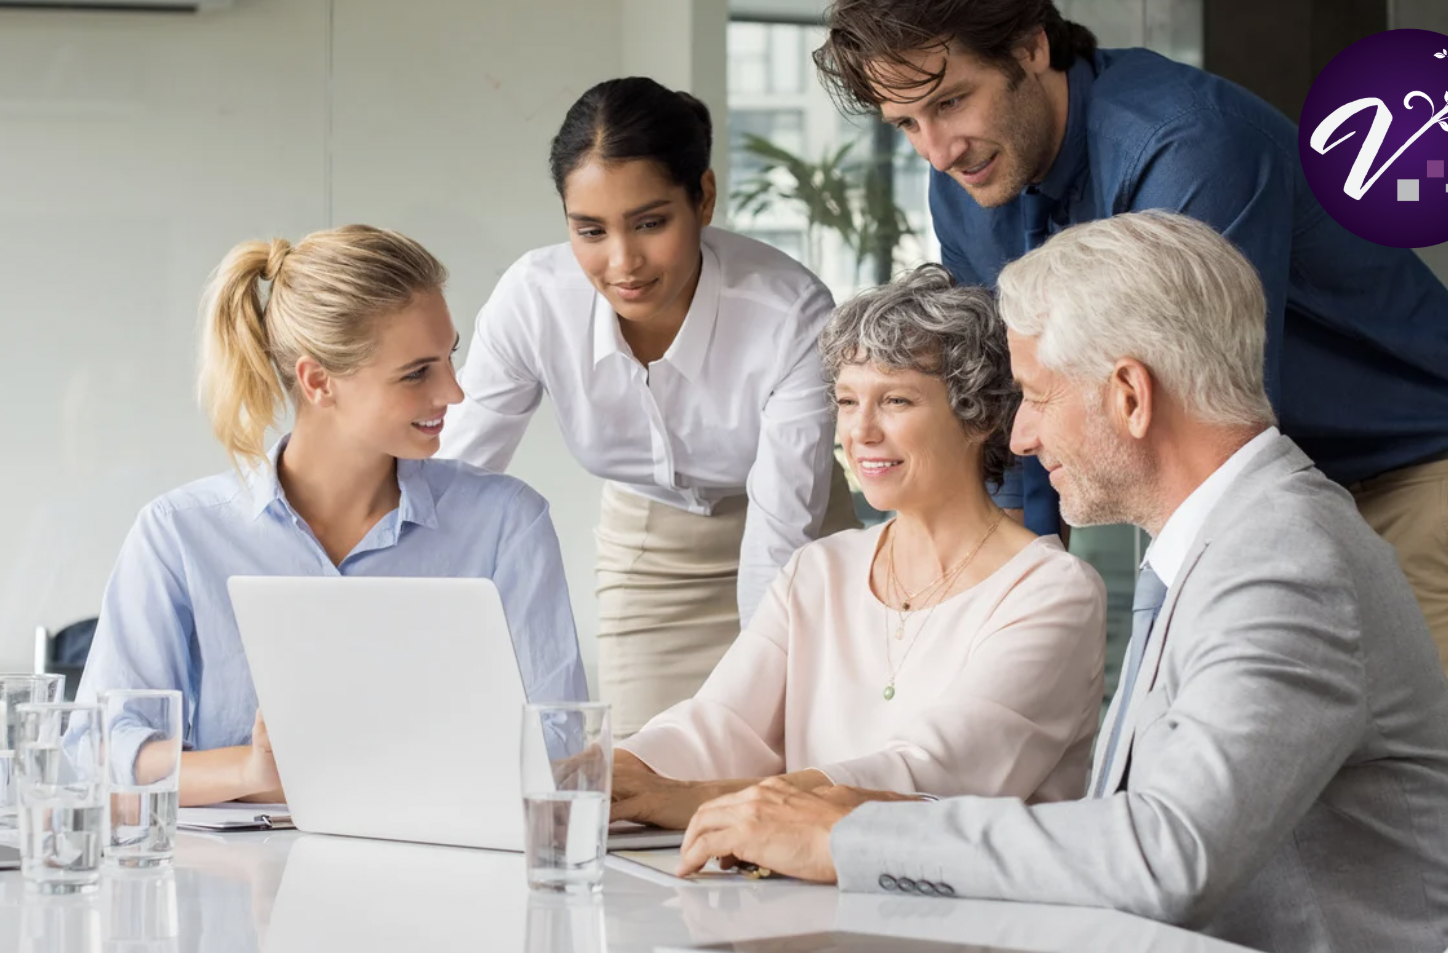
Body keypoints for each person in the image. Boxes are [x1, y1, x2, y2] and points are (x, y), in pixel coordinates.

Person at [813, 0, 1448, 889]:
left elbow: (1205, 428)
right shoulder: (968, 184)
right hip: (1254, 493)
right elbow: (1021, 401)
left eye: (952, 101)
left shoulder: (1188, 144)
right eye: (905, 123)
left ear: (1032, 48)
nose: (938, 148)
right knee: (1263, 879)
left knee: (1403, 887)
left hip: (1412, 480)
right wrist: (1016, 600)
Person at [675, 212, 1448, 953]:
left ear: (1130, 395)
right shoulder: (1234, 540)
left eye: (1033, 394)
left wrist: (844, 836)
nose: (1019, 436)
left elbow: (1166, 856)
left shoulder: (1282, 557)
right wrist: (856, 810)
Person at [76, 225, 588, 806]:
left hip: (439, 876)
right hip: (238, 883)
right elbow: (101, 749)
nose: (454, 392)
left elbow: (558, 747)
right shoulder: (179, 534)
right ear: (319, 382)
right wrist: (252, 771)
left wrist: (343, 767)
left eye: (450, 357)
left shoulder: (506, 526)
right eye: (417, 372)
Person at [610, 265, 1104, 830]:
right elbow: (718, 724)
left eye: (895, 401)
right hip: (804, 893)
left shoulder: (1051, 589)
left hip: (972, 910)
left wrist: (711, 801)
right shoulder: (820, 569)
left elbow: (937, 772)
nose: (860, 431)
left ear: (980, 414)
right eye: (847, 401)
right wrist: (603, 774)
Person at [438, 77, 857, 737]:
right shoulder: (535, 301)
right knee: (641, 779)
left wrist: (752, 715)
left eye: (651, 223)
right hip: (652, 556)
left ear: (704, 198)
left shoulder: (789, 312)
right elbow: (454, 484)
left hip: (799, 542)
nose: (622, 262)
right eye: (590, 230)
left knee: (799, 759)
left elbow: (780, 538)